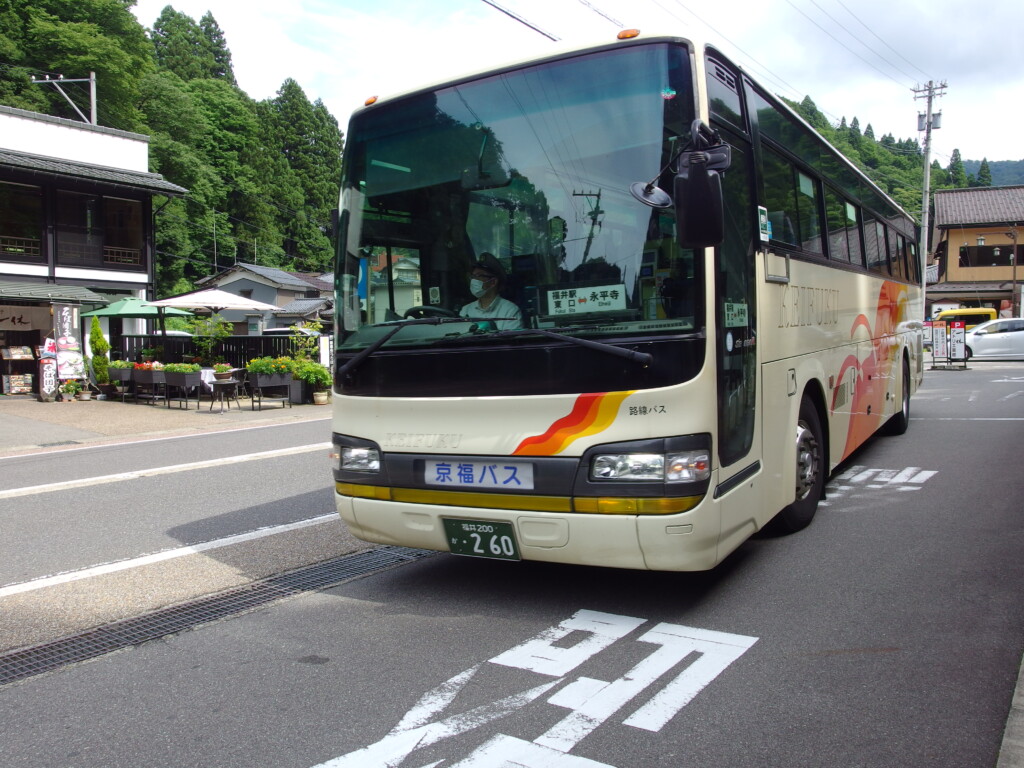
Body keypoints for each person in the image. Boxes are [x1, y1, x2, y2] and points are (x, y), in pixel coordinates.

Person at [459, 253, 522, 329]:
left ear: (493, 282)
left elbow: (511, 340)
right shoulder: (466, 310)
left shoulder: (510, 311)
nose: (473, 280)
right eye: (473, 276)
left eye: (479, 275)